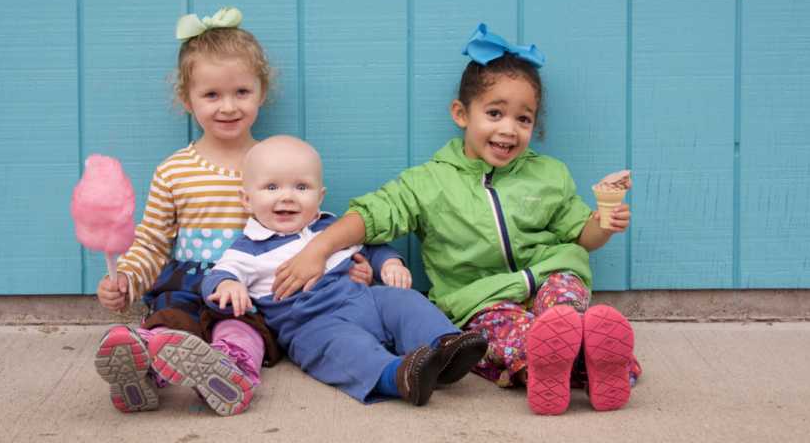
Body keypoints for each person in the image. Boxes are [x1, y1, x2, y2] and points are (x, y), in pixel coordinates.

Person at [272, 24, 642, 415]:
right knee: (505, 338)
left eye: (523, 119)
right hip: (481, 300)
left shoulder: (549, 174)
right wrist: (319, 247)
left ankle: (586, 353)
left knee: (563, 307)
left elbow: (581, 236)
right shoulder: (429, 183)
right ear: (461, 114)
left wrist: (605, 218)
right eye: (495, 113)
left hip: (552, 275)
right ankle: (567, 366)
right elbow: (370, 215)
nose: (508, 129)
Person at [94, 7, 284, 416]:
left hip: (247, 288)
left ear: (261, 92)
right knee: (168, 325)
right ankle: (143, 369)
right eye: (211, 95)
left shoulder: (274, 163)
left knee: (239, 331)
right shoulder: (175, 170)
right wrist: (126, 277)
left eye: (241, 92)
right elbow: (152, 241)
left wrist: (336, 262)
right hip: (187, 283)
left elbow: (299, 223)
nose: (228, 106)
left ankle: (231, 372)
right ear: (187, 100)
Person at [202, 135, 488, 406]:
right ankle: (398, 376)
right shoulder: (249, 248)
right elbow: (218, 274)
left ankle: (445, 346)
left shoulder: (328, 227)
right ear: (247, 199)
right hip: (313, 323)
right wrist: (227, 285)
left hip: (365, 300)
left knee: (405, 301)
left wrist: (390, 263)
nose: (287, 197)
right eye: (272, 187)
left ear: (320, 196)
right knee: (345, 349)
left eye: (301, 187)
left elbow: (371, 248)